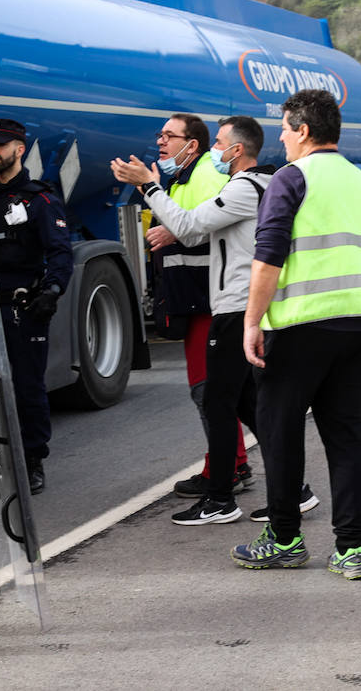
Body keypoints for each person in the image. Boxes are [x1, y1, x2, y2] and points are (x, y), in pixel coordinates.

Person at [111, 117, 315, 527]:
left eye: (218, 143)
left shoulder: (244, 187)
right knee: (249, 406)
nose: (214, 151)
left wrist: (148, 186)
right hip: (243, 305)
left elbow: (187, 225)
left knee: (218, 404)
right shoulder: (261, 186)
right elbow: (198, 231)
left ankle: (221, 498)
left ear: (237, 150)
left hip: (235, 309)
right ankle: (294, 490)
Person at [234, 89, 361, 579]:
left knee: (279, 432)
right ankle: (350, 548)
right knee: (345, 433)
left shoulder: (291, 178)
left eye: (284, 127)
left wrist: (251, 321)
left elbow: (269, 257)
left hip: (304, 321)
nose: (280, 135)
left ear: (303, 130)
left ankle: (283, 539)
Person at [0, 117, 74, 498]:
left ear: (19, 149)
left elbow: (60, 252)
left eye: (1, 144)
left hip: (23, 309)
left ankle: (32, 462)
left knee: (26, 388)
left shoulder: (39, 199)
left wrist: (52, 291)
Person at [141, 112, 251, 496]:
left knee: (210, 391)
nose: (161, 142)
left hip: (208, 298)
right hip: (197, 296)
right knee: (218, 391)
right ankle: (233, 463)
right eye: (160, 135)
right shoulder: (184, 176)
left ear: (193, 144)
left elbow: (203, 226)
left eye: (169, 136)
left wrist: (173, 230)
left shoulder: (205, 174)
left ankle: (225, 470)